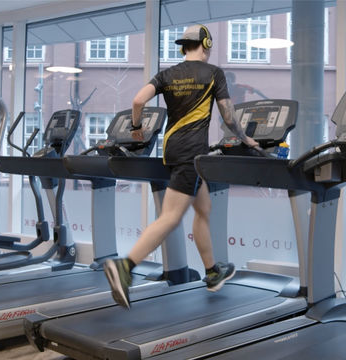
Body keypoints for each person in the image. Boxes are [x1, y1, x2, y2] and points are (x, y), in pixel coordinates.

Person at [104, 24, 259, 309]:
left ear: (183, 46)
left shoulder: (167, 74)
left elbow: (138, 100)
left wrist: (137, 128)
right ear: (206, 43)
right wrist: (245, 137)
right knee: (171, 217)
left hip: (173, 148)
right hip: (192, 153)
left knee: (203, 209)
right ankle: (124, 268)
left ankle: (212, 272)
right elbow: (227, 116)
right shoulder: (214, 74)